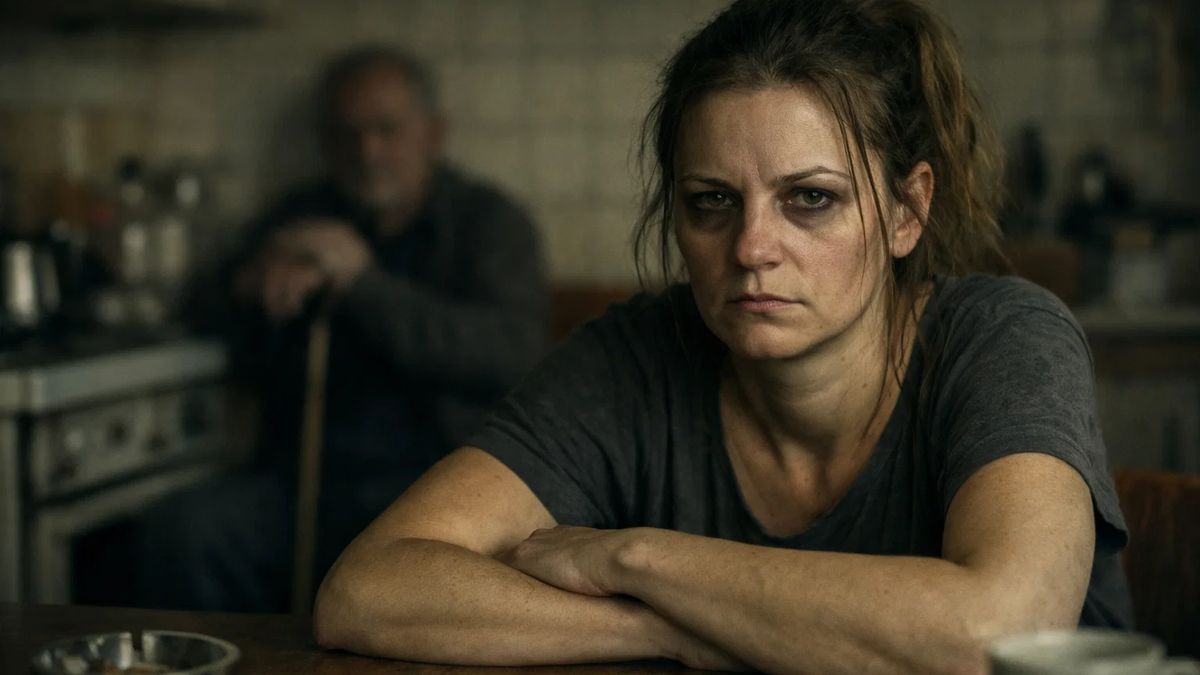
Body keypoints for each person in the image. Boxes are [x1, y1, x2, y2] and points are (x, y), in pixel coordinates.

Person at [313, 1, 1131, 672]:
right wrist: (666, 627)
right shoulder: (635, 357)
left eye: (810, 198)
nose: (750, 247)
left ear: (906, 211)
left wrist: (634, 560)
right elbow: (368, 590)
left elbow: (1004, 636)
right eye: (712, 201)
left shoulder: (1003, 338)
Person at [136, 45, 547, 612]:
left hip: (433, 491)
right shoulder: (300, 213)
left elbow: (511, 352)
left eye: (386, 130)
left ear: (434, 132)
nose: (367, 152)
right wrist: (249, 281)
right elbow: (199, 314)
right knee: (184, 531)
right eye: (346, 134)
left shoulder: (488, 222)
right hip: (300, 486)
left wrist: (362, 283)